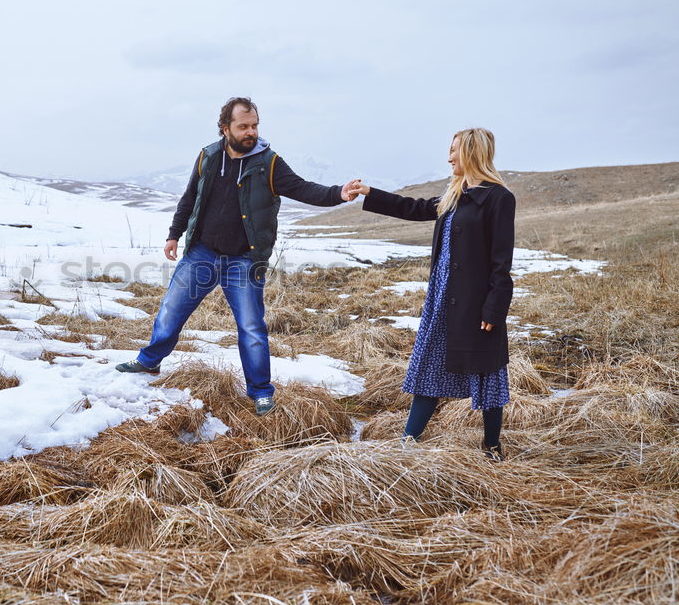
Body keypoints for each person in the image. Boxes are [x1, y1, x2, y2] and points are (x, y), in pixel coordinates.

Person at [116, 97, 351, 415]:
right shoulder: (208, 156)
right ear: (225, 128)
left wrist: (338, 193)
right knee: (170, 312)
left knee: (252, 328)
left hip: (243, 260)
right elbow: (189, 199)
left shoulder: (269, 163)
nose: (250, 131)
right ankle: (149, 361)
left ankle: (260, 391)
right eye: (243, 126)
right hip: (202, 253)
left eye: (254, 125)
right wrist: (174, 235)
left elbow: (304, 189)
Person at [344, 128, 515, 459]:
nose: (449, 157)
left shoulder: (498, 198)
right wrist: (370, 193)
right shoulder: (454, 194)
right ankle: (408, 442)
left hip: (476, 304)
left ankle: (492, 446)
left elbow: (501, 261)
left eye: (454, 151)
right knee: (429, 371)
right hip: (442, 300)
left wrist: (494, 309)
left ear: (472, 152)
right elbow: (414, 207)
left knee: (488, 373)